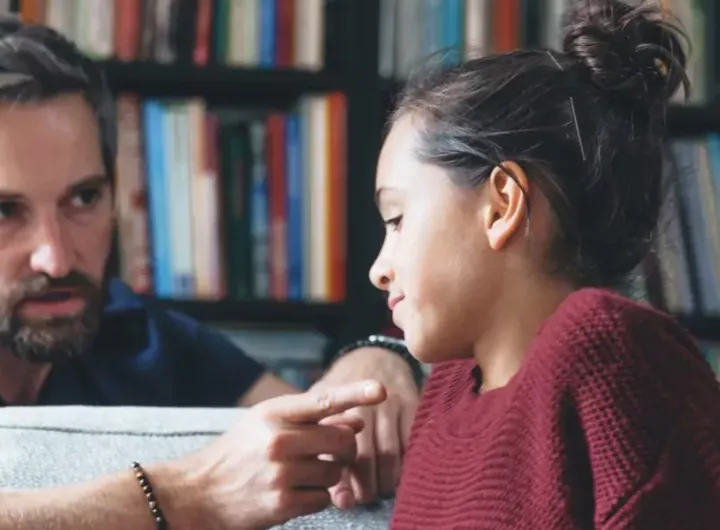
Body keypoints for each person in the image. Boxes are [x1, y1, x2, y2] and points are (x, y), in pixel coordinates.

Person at [0, 16, 419, 530]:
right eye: (5, 212)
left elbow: (314, 433)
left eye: (83, 198)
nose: (56, 258)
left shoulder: (138, 332)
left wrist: (376, 357)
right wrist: (192, 496)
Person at [369, 0, 720, 528]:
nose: (379, 268)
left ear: (502, 205)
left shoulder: (605, 347)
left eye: (396, 220)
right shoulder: (447, 390)